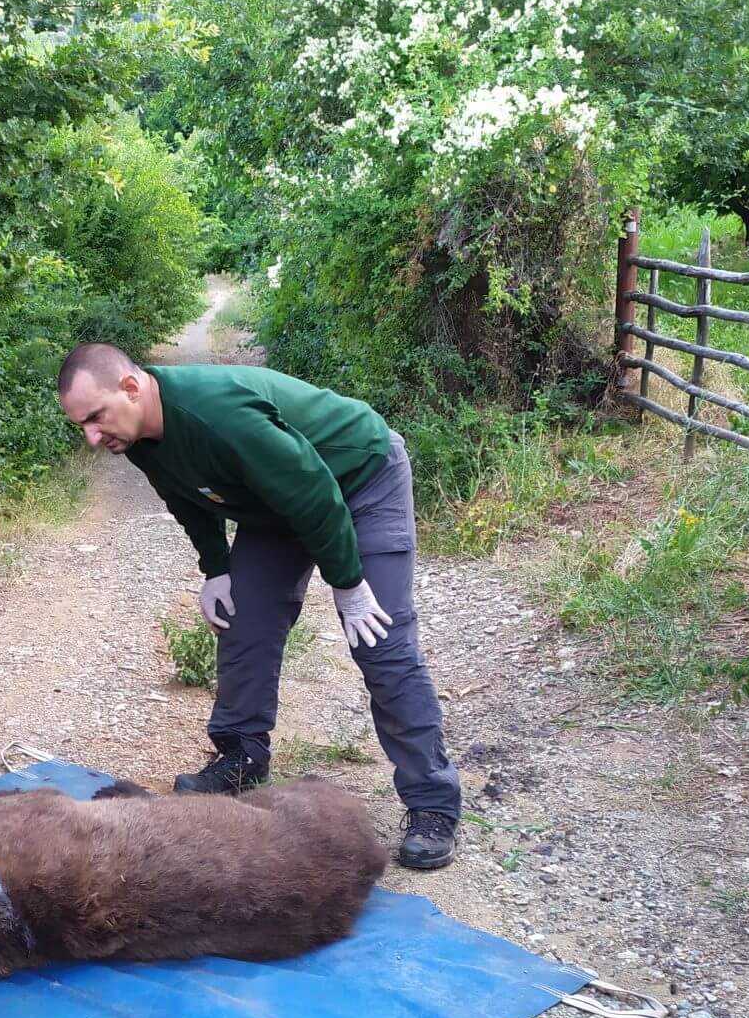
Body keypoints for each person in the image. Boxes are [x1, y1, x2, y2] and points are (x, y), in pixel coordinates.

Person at [55, 343, 461, 870]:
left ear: (131, 387)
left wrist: (350, 584)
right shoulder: (137, 437)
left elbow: (316, 492)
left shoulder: (217, 416)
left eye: (95, 418)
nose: (91, 437)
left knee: (379, 640)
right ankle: (242, 758)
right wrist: (216, 568)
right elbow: (185, 497)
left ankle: (432, 804)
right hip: (282, 503)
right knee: (243, 619)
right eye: (80, 426)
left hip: (359, 479)